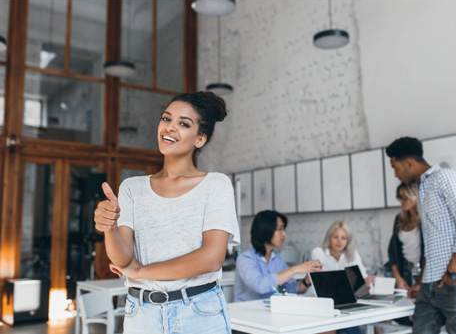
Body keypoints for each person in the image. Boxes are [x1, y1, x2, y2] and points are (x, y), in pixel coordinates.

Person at [94, 92, 240, 334]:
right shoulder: (132, 187)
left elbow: (211, 258)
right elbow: (122, 260)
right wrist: (109, 228)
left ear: (200, 140)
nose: (170, 127)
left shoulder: (215, 185)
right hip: (141, 315)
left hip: (198, 312)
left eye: (184, 124)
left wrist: (140, 271)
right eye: (166, 119)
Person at [386, 136, 456, 334]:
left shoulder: (447, 178)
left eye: (396, 167)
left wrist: (453, 272)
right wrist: (421, 281)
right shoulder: (422, 188)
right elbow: (432, 245)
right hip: (430, 282)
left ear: (409, 163)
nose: (396, 174)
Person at [234, 210, 323, 302]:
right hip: (246, 311)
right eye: (280, 229)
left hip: (269, 309)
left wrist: (307, 280)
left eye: (283, 229)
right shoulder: (245, 259)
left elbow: (289, 290)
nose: (283, 233)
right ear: (266, 230)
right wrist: (295, 269)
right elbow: (259, 286)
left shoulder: (278, 259)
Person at [312, 220, 374, 288]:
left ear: (348, 241)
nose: (339, 241)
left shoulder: (353, 253)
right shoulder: (318, 253)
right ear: (329, 238)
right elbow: (318, 281)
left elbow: (363, 277)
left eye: (343, 238)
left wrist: (366, 284)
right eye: (335, 237)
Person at [387, 182, 424, 290]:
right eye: (399, 197)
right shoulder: (399, 219)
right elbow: (392, 251)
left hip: (423, 270)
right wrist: (398, 277)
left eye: (404, 197)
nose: (401, 201)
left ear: (414, 195)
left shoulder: (424, 220)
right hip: (405, 270)